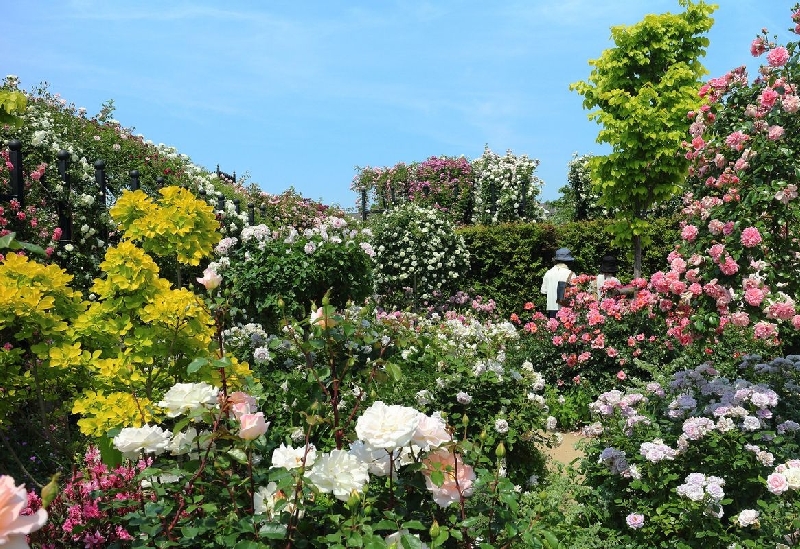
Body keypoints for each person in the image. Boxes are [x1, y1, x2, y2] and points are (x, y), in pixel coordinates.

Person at [541, 247, 575, 318]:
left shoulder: (548, 273)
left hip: (551, 309)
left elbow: (544, 291)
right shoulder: (571, 274)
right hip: (566, 309)